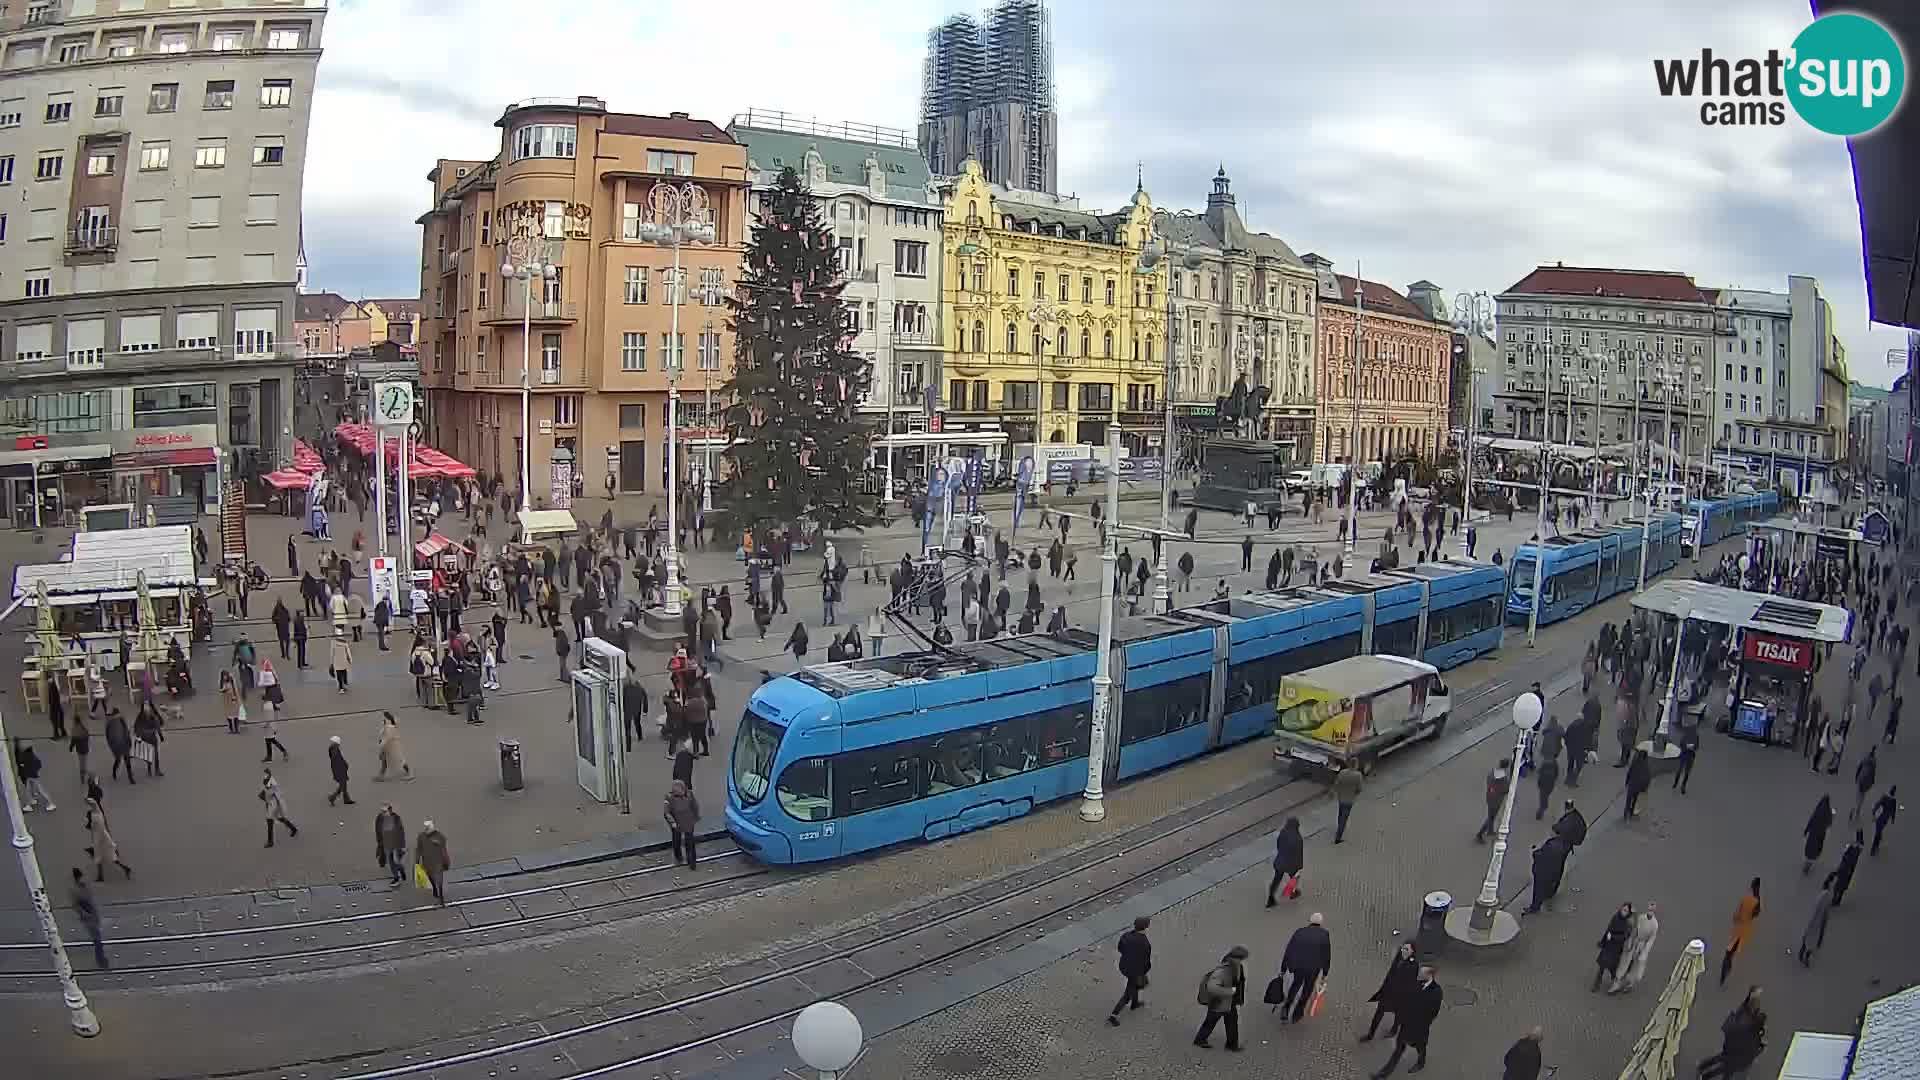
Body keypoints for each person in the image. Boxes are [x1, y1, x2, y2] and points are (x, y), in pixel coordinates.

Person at [1371, 965, 1440, 1077]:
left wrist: (1422, 1023)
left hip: (1419, 1029)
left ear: (1429, 975)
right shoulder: (1417, 984)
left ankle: (1421, 1062)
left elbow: (1433, 1012)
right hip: (1406, 1026)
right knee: (1398, 1051)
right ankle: (1382, 1074)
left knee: (1420, 1047)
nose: (1419, 975)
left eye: (1422, 973)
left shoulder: (1436, 991)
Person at [1697, 988, 1766, 1080]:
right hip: (1736, 1053)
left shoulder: (1752, 1025)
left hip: (1735, 1050)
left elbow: (1744, 1012)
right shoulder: (1752, 1029)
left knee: (1725, 1065)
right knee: (1725, 1066)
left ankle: (1704, 1070)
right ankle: (1705, 1072)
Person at [1275, 912, 1332, 1023]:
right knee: (1307, 989)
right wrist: (1325, 973)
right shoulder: (1325, 934)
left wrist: (1283, 969)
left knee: (1296, 984)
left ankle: (1286, 1008)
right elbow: (1327, 955)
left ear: (1310, 921)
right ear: (1321, 923)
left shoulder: (1299, 932)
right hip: (1313, 968)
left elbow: (1289, 950)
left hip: (1298, 966)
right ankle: (1298, 1012)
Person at [1192, 945, 1249, 1050]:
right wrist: (1229, 991)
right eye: (1241, 959)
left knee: (1232, 1024)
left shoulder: (1237, 968)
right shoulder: (1223, 971)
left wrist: (1238, 998)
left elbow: (1239, 983)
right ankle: (1200, 1040)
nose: (1241, 961)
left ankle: (1232, 1045)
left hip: (1229, 1003)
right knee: (1210, 1022)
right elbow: (1212, 987)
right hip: (1218, 1002)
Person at [1361, 942, 1418, 1041]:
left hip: (1400, 996)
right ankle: (1370, 1035)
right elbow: (1392, 971)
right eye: (1403, 948)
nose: (1403, 951)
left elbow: (1410, 984)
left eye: (1406, 950)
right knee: (1379, 1012)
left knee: (1399, 1013)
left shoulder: (1413, 965)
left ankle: (1394, 1029)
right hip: (1388, 992)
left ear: (1412, 951)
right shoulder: (1399, 956)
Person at [1108, 915, 1152, 1025]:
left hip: (1124, 966)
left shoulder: (1126, 935)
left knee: (1134, 985)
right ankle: (1113, 1015)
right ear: (1146, 927)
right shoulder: (1145, 943)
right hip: (1135, 971)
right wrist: (1144, 971)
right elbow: (1146, 962)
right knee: (1128, 994)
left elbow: (1120, 948)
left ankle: (1135, 1003)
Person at [1720, 877, 1761, 985]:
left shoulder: (1746, 898)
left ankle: (1725, 970)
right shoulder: (1756, 901)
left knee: (1730, 950)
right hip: (1745, 929)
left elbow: (1737, 913)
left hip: (1739, 927)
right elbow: (1755, 915)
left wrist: (1737, 918)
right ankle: (1726, 969)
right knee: (1731, 951)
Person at [1611, 902, 1660, 993]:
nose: (1650, 912)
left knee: (1636, 965)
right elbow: (1635, 928)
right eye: (1649, 910)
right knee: (1625, 961)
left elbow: (1650, 941)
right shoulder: (1641, 917)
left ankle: (1630, 983)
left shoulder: (1655, 925)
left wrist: (1644, 953)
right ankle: (1617, 983)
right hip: (1635, 941)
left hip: (1642, 946)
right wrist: (1630, 941)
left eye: (1652, 911)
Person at [85, 796, 132, 881]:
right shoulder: (98, 813)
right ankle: (124, 868)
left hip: (99, 841)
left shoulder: (96, 816)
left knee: (99, 858)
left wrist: (95, 844)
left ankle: (101, 876)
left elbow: (97, 831)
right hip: (102, 840)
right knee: (111, 858)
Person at [1522, 834, 1570, 915]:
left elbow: (1540, 855)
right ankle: (1548, 894)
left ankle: (1535, 907)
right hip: (1552, 871)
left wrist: (1535, 853)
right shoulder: (1562, 845)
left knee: (1538, 889)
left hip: (1543, 871)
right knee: (1547, 885)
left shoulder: (1552, 845)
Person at [1265, 817, 1304, 906]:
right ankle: (1292, 893)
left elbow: (1278, 844)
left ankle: (1270, 899)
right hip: (1292, 863)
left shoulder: (1283, 832)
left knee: (1276, 880)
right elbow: (1299, 854)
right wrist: (1300, 866)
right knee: (1294, 878)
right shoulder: (1298, 838)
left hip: (1280, 861)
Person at [1594, 902, 1633, 991]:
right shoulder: (1615, 917)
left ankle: (1616, 983)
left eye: (1626, 910)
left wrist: (1613, 937)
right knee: (1602, 965)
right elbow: (1609, 929)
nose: (1623, 911)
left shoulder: (1627, 924)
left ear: (1628, 913)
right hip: (1608, 945)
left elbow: (1624, 937)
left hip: (1617, 948)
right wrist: (1603, 941)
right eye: (1623, 909)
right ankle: (1597, 983)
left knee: (1613, 967)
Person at [1475, 757, 1513, 842]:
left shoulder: (1492, 772)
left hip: (1489, 797)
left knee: (1491, 815)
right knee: (1491, 817)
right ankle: (1480, 834)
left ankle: (1490, 831)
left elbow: (1488, 781)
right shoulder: (1504, 779)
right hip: (1497, 800)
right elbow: (1506, 790)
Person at [1797, 882, 1834, 967]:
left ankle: (1802, 954)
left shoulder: (1820, 899)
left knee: (1807, 941)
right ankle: (1805, 956)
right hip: (1816, 926)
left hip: (1813, 925)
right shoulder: (1825, 899)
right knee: (1811, 942)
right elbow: (1824, 916)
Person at [664, 779, 699, 868]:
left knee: (690, 842)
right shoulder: (669, 797)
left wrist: (695, 817)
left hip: (688, 821)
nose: (679, 792)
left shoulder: (690, 794)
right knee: (676, 840)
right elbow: (667, 812)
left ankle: (691, 861)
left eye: (680, 790)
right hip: (676, 822)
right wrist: (672, 823)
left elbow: (694, 806)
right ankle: (678, 857)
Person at [415, 819, 451, 905]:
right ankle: (435, 888)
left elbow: (443, 851)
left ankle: (441, 898)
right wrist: (417, 860)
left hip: (438, 863)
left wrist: (446, 862)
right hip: (427, 862)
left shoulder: (440, 837)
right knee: (430, 877)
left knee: (439, 881)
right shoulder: (421, 837)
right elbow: (419, 849)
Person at [1825, 831, 1864, 906]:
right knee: (1842, 886)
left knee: (1839, 884)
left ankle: (1835, 897)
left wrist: (1846, 855)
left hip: (1846, 867)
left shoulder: (1853, 849)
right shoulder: (1857, 849)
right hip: (1848, 869)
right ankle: (1837, 899)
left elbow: (1845, 853)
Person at [14, 739, 53, 811]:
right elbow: (39, 764)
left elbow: (22, 764)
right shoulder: (31, 755)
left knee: (40, 790)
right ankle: (30, 803)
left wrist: (24, 766)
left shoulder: (25, 756)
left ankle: (51, 803)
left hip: (31, 775)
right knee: (29, 790)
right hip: (32, 775)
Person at [375, 804, 408, 887]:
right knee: (391, 862)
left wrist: (403, 846)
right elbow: (378, 832)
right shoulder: (379, 818)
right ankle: (396, 878)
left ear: (390, 810)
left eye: (385, 811)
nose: (383, 813)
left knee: (396, 861)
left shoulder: (396, 819)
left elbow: (401, 833)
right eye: (382, 811)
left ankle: (401, 869)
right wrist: (379, 844)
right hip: (386, 844)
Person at [1802, 794, 1834, 875]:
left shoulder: (1818, 810)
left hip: (1813, 833)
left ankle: (1806, 865)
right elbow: (1829, 823)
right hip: (1820, 834)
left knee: (1810, 849)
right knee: (1815, 850)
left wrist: (1806, 830)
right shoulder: (1828, 812)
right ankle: (1808, 865)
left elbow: (1811, 820)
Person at [103, 707, 135, 785]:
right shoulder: (112, 723)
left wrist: (129, 741)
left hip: (122, 745)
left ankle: (129, 777)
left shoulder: (118, 721)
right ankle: (116, 772)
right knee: (121, 761)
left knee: (124, 761)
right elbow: (109, 737)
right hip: (119, 745)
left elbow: (126, 731)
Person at [377, 712, 412, 781]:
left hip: (392, 747)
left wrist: (380, 750)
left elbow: (385, 740)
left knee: (400, 760)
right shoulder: (389, 726)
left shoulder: (389, 728)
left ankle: (410, 774)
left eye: (383, 719)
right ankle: (381, 776)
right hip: (388, 746)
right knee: (384, 761)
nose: (382, 721)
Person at [1333, 764, 1362, 843]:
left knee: (1340, 813)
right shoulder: (1358, 775)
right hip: (1349, 800)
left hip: (1341, 798)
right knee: (1344, 818)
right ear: (1356, 765)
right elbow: (1359, 789)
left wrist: (1338, 792)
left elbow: (1336, 784)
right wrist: (1355, 793)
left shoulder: (1342, 772)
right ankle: (1338, 837)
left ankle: (1339, 827)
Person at [1852, 746, 1879, 823]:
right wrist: (1873, 781)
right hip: (1867, 781)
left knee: (1858, 794)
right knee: (1862, 796)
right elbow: (1874, 772)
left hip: (1861, 778)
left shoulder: (1865, 759)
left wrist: (1856, 776)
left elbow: (1859, 767)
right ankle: (1857, 810)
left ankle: (1855, 808)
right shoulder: (1874, 761)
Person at [1624, 749, 1652, 818]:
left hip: (1632, 784)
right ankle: (1631, 811)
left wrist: (1626, 782)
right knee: (1634, 799)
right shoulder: (1647, 765)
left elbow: (1629, 772)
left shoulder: (1635, 762)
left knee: (1628, 799)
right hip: (1639, 786)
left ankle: (1626, 812)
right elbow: (1648, 777)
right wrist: (1645, 787)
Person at [1871, 786, 1898, 855]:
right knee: (1878, 832)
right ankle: (1874, 848)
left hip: (1879, 817)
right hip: (1885, 819)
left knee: (1878, 831)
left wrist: (1874, 811)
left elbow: (1878, 804)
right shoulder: (1893, 801)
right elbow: (1893, 811)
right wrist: (1893, 819)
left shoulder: (1884, 797)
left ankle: (1876, 844)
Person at [1674, 725, 1700, 793]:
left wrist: (1693, 747)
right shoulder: (1685, 736)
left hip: (1690, 756)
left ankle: (1683, 786)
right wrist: (1686, 746)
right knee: (1679, 770)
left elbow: (1697, 746)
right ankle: (1676, 782)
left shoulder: (1696, 737)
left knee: (1687, 772)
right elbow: (1681, 744)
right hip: (1684, 755)